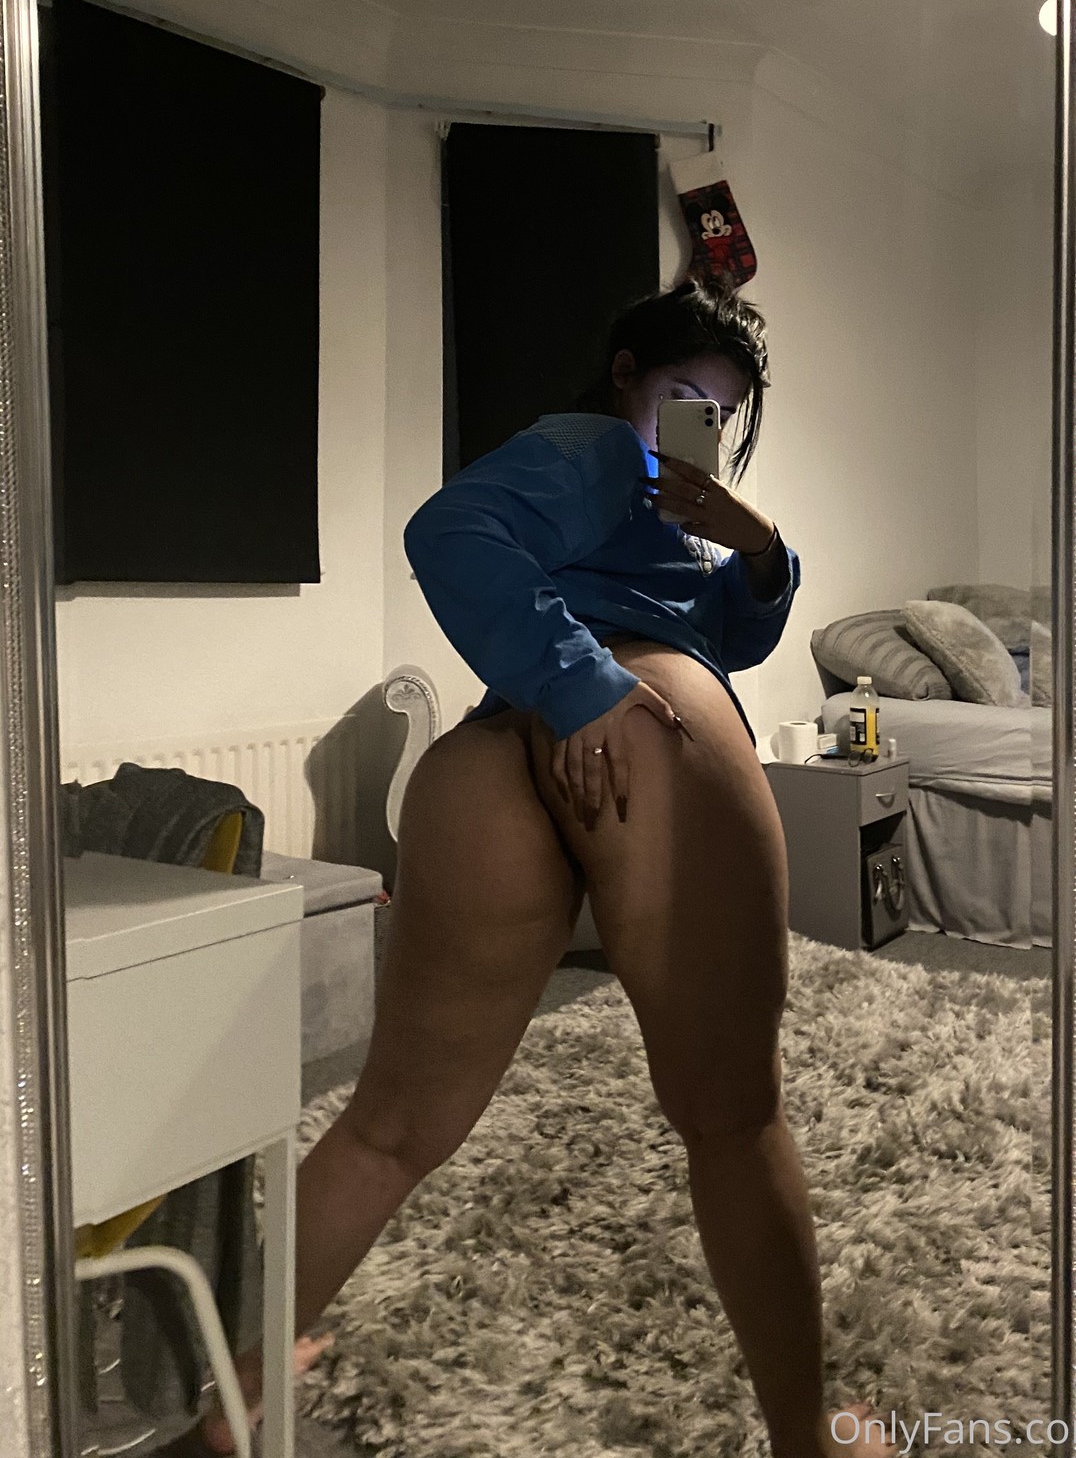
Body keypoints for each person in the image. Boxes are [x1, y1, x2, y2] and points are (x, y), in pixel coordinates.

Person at [206, 279, 890, 1457]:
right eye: (682, 394)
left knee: (389, 1126)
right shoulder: (595, 449)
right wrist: (585, 687)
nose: (698, 425)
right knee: (734, 1116)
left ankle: (238, 1394)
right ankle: (808, 1441)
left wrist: (758, 547)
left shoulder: (668, 505)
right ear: (624, 374)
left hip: (493, 754)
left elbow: (728, 632)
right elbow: (450, 532)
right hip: (631, 718)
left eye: (720, 413)